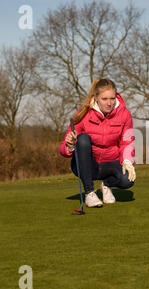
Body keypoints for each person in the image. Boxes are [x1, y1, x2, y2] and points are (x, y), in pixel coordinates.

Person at [60, 78, 136, 207]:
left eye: (112, 98)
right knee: (83, 138)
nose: (109, 103)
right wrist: (70, 145)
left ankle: (106, 185)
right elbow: (63, 149)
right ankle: (89, 193)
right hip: (88, 166)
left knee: (127, 180)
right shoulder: (83, 113)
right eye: (104, 99)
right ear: (96, 98)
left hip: (111, 163)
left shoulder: (124, 114)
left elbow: (127, 141)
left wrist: (128, 161)